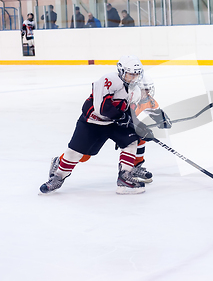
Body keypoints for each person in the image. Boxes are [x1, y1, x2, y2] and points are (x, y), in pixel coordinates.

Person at [39, 55, 155, 195]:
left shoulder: (134, 90)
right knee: (75, 153)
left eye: (136, 75)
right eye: (130, 74)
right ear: (121, 71)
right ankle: (58, 176)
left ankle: (125, 176)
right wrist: (123, 118)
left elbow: (128, 113)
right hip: (92, 122)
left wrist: (140, 127)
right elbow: (102, 109)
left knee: (131, 141)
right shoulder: (109, 80)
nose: (134, 78)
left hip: (113, 123)